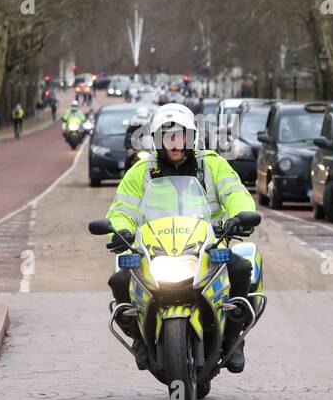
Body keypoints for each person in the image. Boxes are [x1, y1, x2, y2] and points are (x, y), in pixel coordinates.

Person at [105, 103, 258, 372]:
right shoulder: (141, 172)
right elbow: (121, 210)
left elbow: (236, 193)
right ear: (156, 140)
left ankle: (234, 339)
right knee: (119, 278)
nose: (175, 143)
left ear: (192, 138)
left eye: (181, 136)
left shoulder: (211, 164)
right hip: (154, 249)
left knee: (242, 268)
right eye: (167, 137)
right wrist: (120, 230)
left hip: (208, 246)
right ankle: (140, 339)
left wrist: (240, 216)